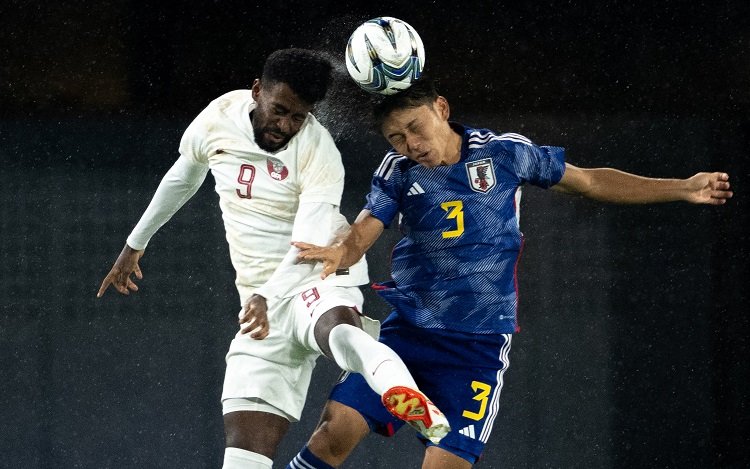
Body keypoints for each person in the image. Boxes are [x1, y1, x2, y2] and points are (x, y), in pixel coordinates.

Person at [287, 75, 734, 469]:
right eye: (396, 138)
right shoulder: (399, 172)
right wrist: (340, 253)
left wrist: (682, 187)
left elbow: (591, 182)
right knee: (332, 435)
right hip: (408, 335)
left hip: (476, 349)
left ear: (441, 109)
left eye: (415, 128)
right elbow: (365, 230)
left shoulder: (504, 154)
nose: (411, 145)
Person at [96, 49, 449, 469]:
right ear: (257, 90)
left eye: (299, 117)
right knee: (243, 458)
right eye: (279, 111)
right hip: (258, 302)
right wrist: (135, 244)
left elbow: (307, 241)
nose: (285, 126)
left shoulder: (318, 151)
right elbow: (184, 174)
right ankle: (388, 376)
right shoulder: (218, 117)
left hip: (315, 273)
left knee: (336, 332)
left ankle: (400, 389)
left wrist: (266, 295)